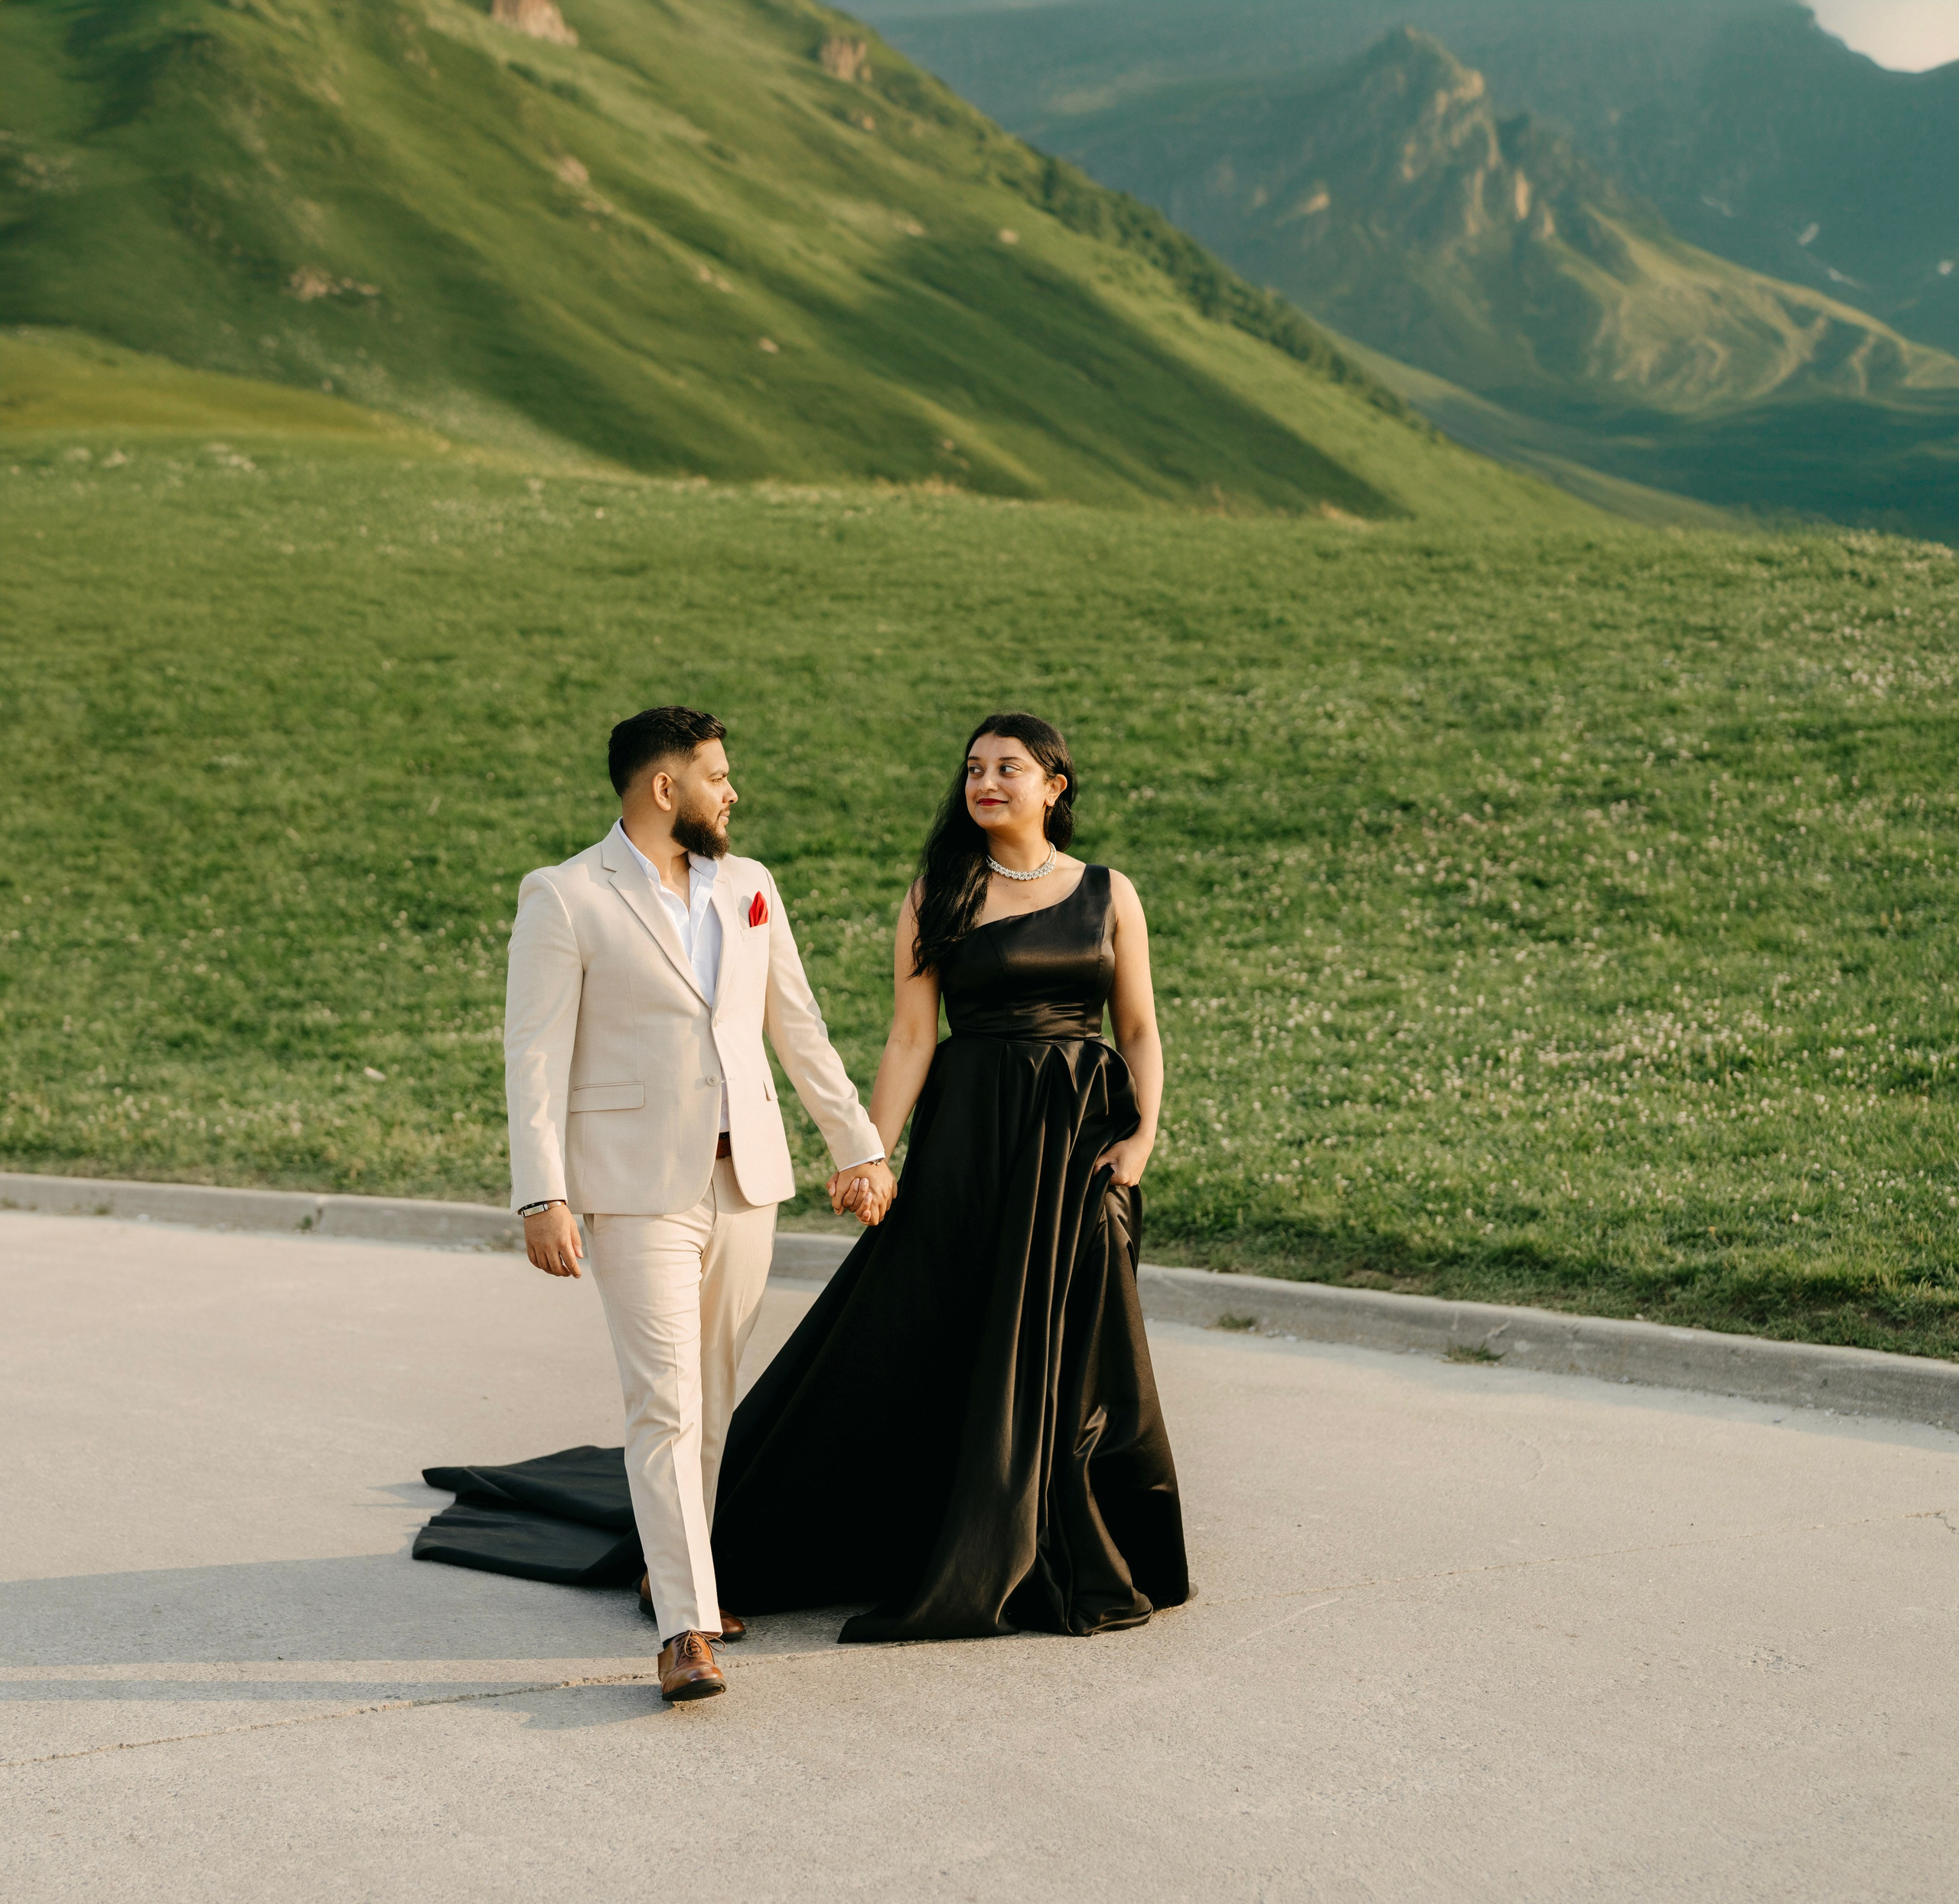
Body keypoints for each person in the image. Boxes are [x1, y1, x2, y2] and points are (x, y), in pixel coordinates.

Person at [710, 712, 1190, 1641]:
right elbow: (910, 1037)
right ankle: (837, 1526)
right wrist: (870, 1153)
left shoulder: (1108, 892)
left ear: (1054, 786)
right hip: (968, 1138)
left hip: (1077, 1143)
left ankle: (1059, 1539)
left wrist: (1141, 1140)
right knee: (922, 1327)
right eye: (974, 768)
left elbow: (1137, 1028)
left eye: (1008, 767)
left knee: (1073, 1346)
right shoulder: (939, 892)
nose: (986, 782)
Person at [498, 706, 894, 1701]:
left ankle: (673, 1571)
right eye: (718, 776)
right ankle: (685, 1629)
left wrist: (858, 1145)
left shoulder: (749, 885)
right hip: (634, 1189)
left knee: (711, 1392)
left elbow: (796, 1025)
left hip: (744, 1179)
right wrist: (542, 1193)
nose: (733, 792)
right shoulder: (565, 896)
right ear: (664, 786)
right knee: (665, 1401)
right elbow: (533, 1056)